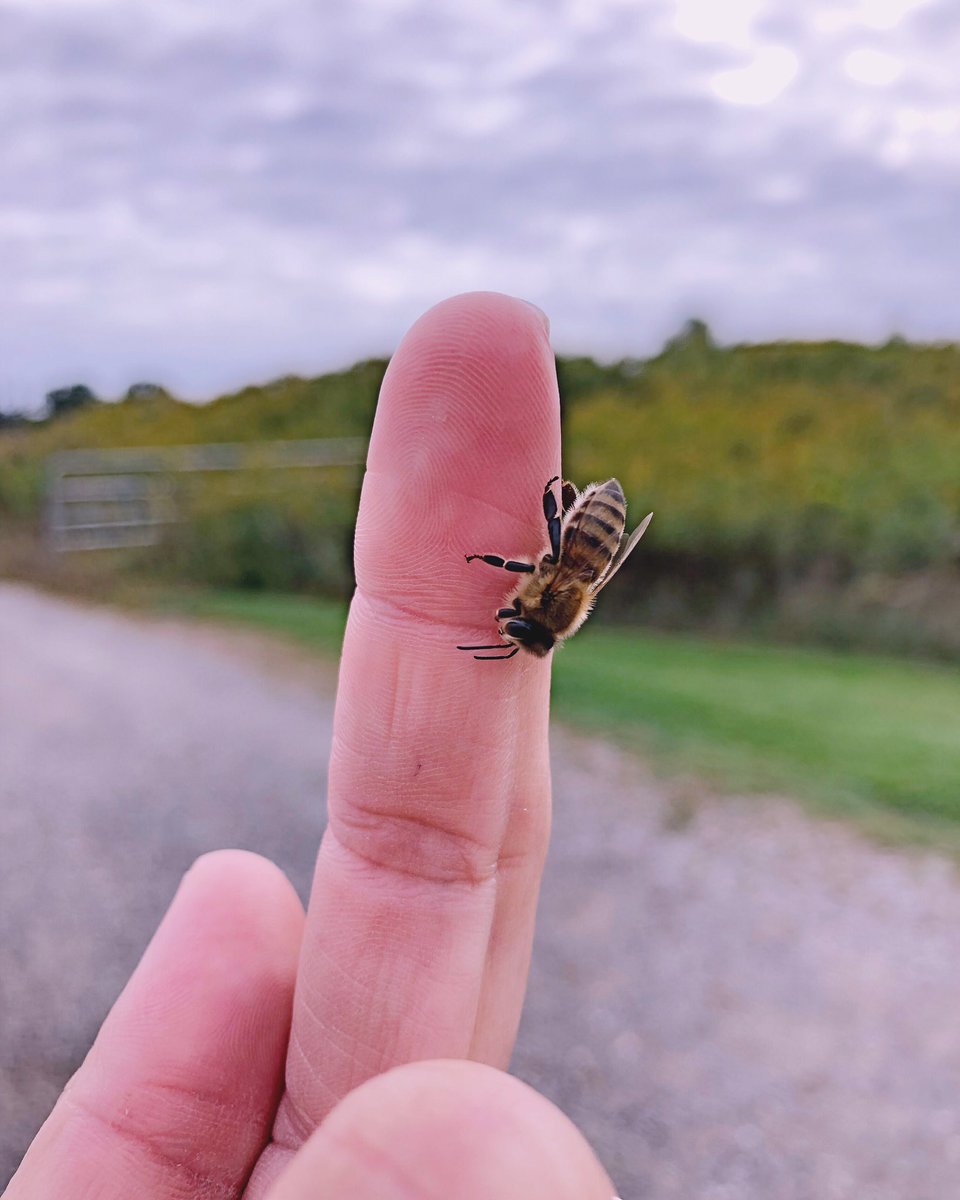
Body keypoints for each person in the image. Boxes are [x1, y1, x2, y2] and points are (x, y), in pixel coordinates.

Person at [5, 293, 618, 1199]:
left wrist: (502, 573)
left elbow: (541, 575)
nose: (517, 611)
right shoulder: (563, 585)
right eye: (523, 616)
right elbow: (563, 566)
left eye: (520, 609)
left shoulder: (543, 589)